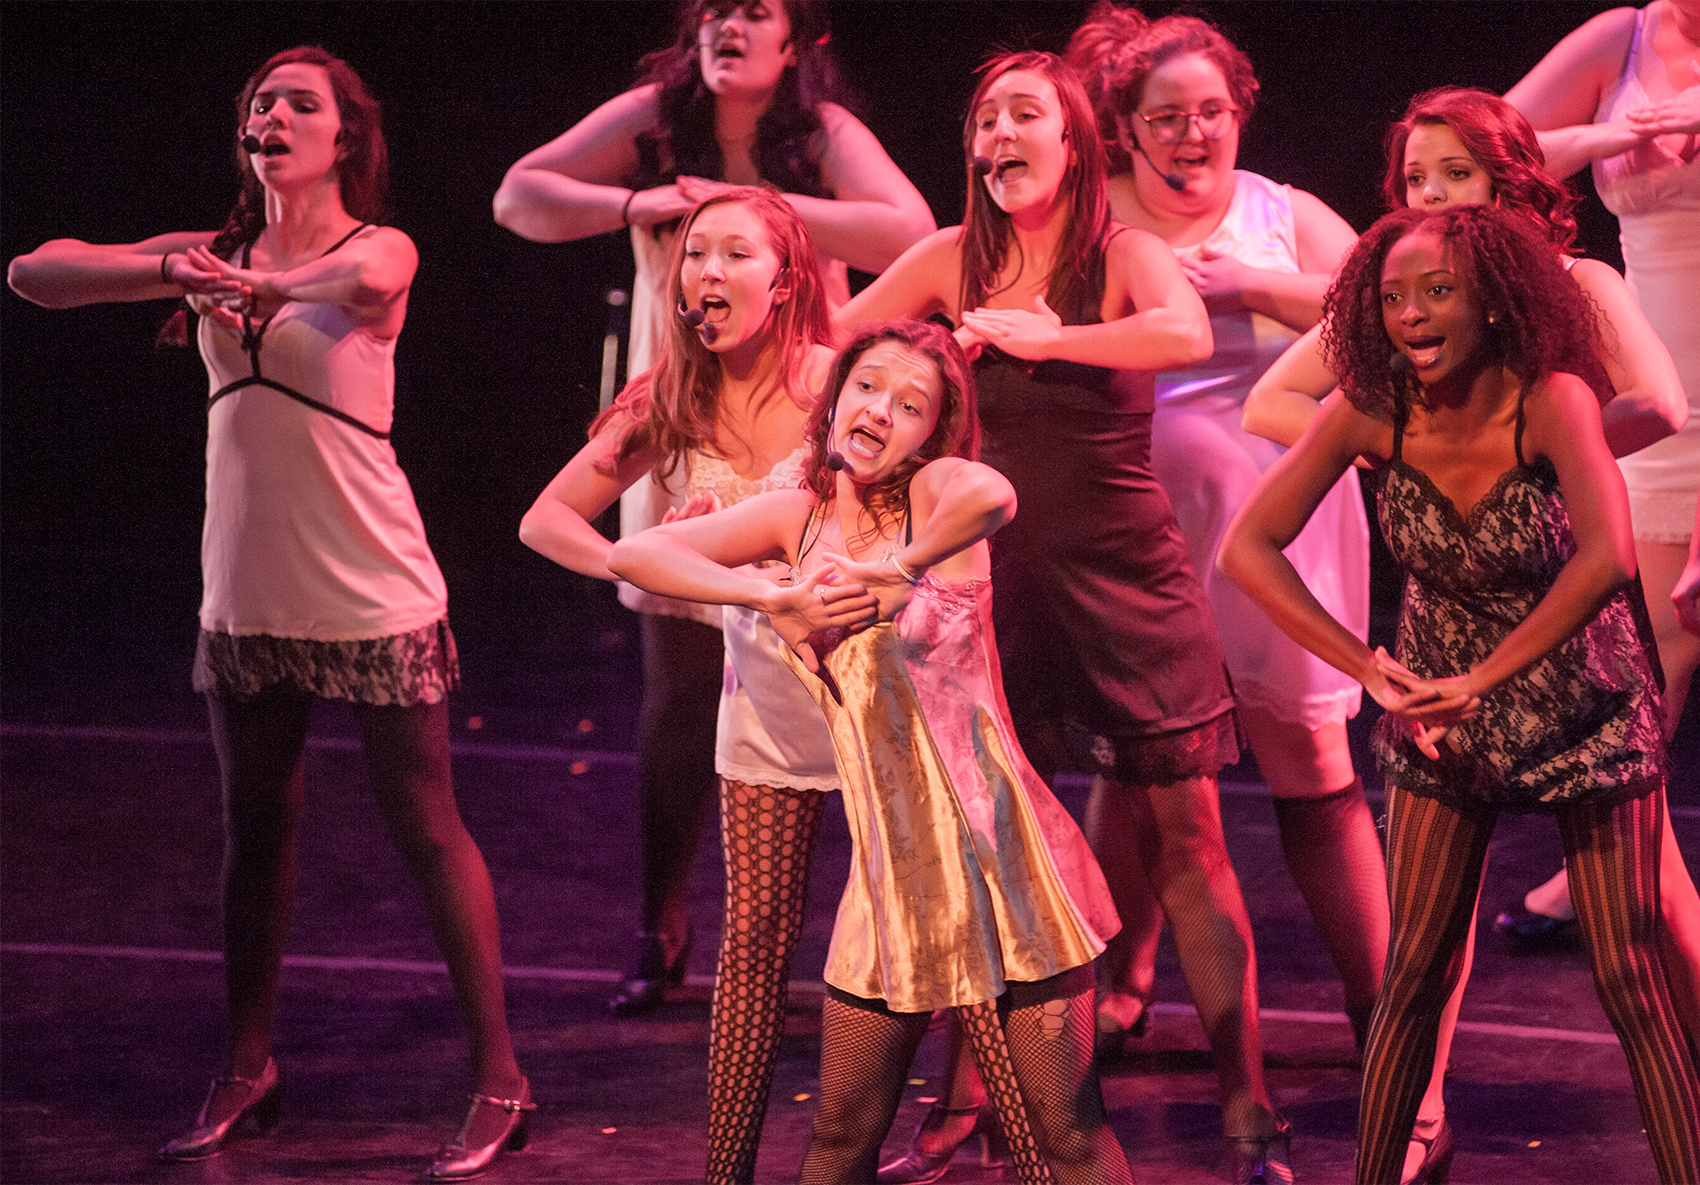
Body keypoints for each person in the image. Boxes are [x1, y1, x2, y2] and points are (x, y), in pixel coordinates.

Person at [7, 47, 529, 1180]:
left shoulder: (368, 244)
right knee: (257, 833)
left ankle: (499, 1075)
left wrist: (270, 288)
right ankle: (247, 1064)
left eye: (303, 102)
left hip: (369, 583)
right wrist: (177, 276)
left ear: (346, 137)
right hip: (247, 591)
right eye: (260, 100)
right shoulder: (212, 255)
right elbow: (32, 272)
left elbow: (373, 282)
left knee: (425, 828)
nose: (275, 112)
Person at [838, 50, 1294, 1185]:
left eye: (1022, 113)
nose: (997, 132)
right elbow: (841, 345)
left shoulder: (1122, 253)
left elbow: (1182, 333)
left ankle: (1246, 1105)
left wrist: (1051, 339)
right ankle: (967, 1097)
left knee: (1186, 843)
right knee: (986, 851)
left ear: (1075, 142)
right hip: (992, 596)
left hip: (1126, 582)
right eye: (983, 115)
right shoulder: (951, 257)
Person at [1242, 86, 1692, 1183]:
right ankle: (1397, 1150)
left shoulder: (1554, 367)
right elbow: (1257, 485)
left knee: (1639, 953)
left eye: (1453, 175)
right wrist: (1371, 664)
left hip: (1575, 680)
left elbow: (1646, 443)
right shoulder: (1372, 391)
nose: (1430, 199)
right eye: (1411, 182)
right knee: (1413, 972)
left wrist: (1537, 456)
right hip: (1436, 697)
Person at [609, 318, 1135, 1185]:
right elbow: (638, 552)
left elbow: (993, 494)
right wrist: (765, 592)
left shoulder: (939, 496)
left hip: (1005, 866)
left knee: (1065, 1133)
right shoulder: (795, 518)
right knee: (840, 1138)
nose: (880, 410)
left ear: (935, 428)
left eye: (910, 403)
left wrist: (907, 567)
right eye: (865, 387)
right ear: (835, 398)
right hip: (892, 882)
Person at [494, 0, 934, 1019]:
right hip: (689, 405)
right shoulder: (656, 120)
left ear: (796, 42)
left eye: (755, 10)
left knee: (844, 684)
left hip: (797, 408)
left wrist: (748, 206)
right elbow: (519, 197)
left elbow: (905, 228)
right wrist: (650, 203)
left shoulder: (819, 135)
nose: (728, 25)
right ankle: (663, 919)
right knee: (683, 686)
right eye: (713, 10)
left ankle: (885, 944)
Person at [1063, 1, 1386, 1058]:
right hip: (1136, 531)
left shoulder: (1283, 216)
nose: (1190, 135)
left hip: (1276, 532)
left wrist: (1255, 286)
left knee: (1310, 762)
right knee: (1142, 762)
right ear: (1124, 127)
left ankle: (1380, 1006)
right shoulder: (1087, 217)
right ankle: (1120, 980)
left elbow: (1386, 314)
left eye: (1210, 112)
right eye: (1164, 117)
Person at [519, 186, 847, 1185]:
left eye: (733, 254)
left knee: (917, 939)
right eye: (694, 253)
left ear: (786, 277)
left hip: (875, 701)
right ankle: (727, 1170)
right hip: (761, 706)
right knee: (752, 945)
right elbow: (548, 521)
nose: (705, 272)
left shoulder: (844, 384)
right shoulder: (672, 394)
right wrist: (663, 561)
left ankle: (946, 1117)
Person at [1497, 0, 1700, 961]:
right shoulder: (1623, 37)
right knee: (1658, 640)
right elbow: (1478, 152)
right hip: (1664, 390)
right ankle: (1617, 871)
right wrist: (1619, 132)